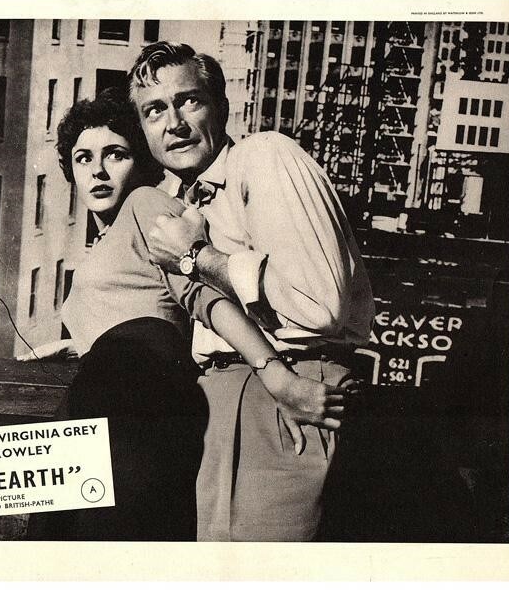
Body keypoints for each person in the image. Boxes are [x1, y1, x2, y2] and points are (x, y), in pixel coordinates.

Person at [22, 89, 344, 541]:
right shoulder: (108, 239)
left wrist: (277, 377)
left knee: (89, 540)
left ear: (142, 162)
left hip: (136, 396)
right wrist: (81, 345)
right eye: (83, 158)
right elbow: (144, 303)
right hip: (111, 390)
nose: (97, 170)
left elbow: (204, 299)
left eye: (115, 154)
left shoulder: (147, 206)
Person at [129, 41, 376, 541]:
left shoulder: (264, 157)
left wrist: (198, 257)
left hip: (293, 391)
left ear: (220, 105)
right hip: (219, 403)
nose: (174, 123)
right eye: (154, 110)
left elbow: (319, 306)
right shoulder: (177, 200)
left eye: (189, 101)